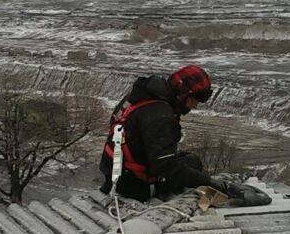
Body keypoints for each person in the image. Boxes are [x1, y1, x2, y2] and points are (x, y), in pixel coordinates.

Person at [99, 65, 238, 202]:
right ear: (182, 93)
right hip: (135, 187)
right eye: (195, 99)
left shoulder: (138, 96)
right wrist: (215, 184)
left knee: (187, 162)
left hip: (114, 174)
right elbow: (167, 169)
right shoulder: (160, 116)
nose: (195, 105)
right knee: (193, 163)